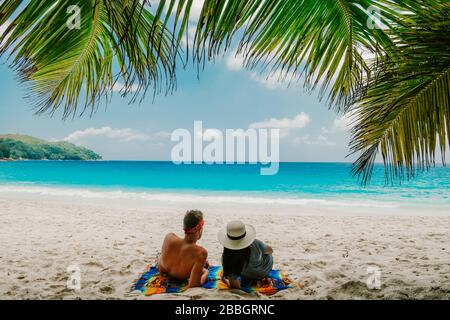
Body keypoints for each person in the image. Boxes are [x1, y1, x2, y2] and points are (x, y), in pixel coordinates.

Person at [158, 210, 209, 288]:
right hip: (179, 277)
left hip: (163, 270)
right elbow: (193, 285)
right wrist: (206, 273)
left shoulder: (169, 237)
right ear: (200, 229)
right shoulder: (200, 253)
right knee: (204, 269)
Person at [218, 220, 273, 289]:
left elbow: (235, 288)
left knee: (233, 269)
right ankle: (263, 277)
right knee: (267, 254)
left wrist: (225, 280)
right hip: (262, 273)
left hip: (244, 275)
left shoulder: (227, 259)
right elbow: (270, 251)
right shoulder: (255, 243)